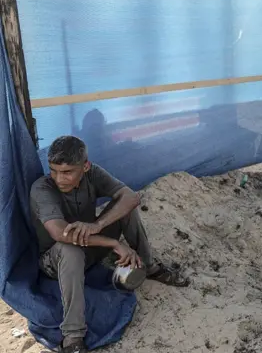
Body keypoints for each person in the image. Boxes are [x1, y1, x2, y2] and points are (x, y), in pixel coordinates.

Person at [30, 136, 190, 353]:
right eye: (54, 170)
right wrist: (113, 242)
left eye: (67, 172)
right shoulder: (42, 188)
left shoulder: (93, 173)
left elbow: (130, 197)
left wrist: (98, 224)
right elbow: (60, 233)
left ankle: (150, 267)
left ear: (85, 166)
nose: (59, 178)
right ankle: (73, 335)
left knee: (125, 210)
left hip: (89, 247)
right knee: (70, 250)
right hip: (56, 260)